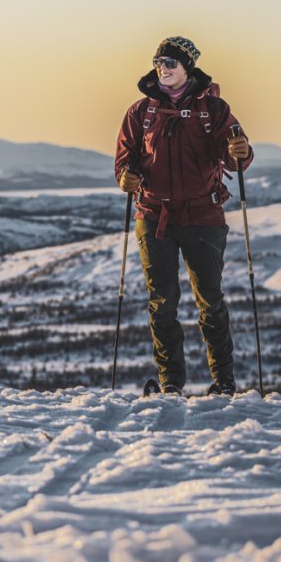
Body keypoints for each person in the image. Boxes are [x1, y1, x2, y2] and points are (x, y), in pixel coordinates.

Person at [114, 37, 252, 396]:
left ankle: (223, 382)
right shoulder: (140, 112)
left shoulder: (215, 110)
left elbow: (235, 157)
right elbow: (124, 160)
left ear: (187, 66)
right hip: (153, 214)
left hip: (203, 215)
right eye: (159, 61)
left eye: (171, 62)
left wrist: (242, 150)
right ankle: (170, 382)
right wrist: (125, 176)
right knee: (162, 303)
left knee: (210, 300)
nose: (164, 68)